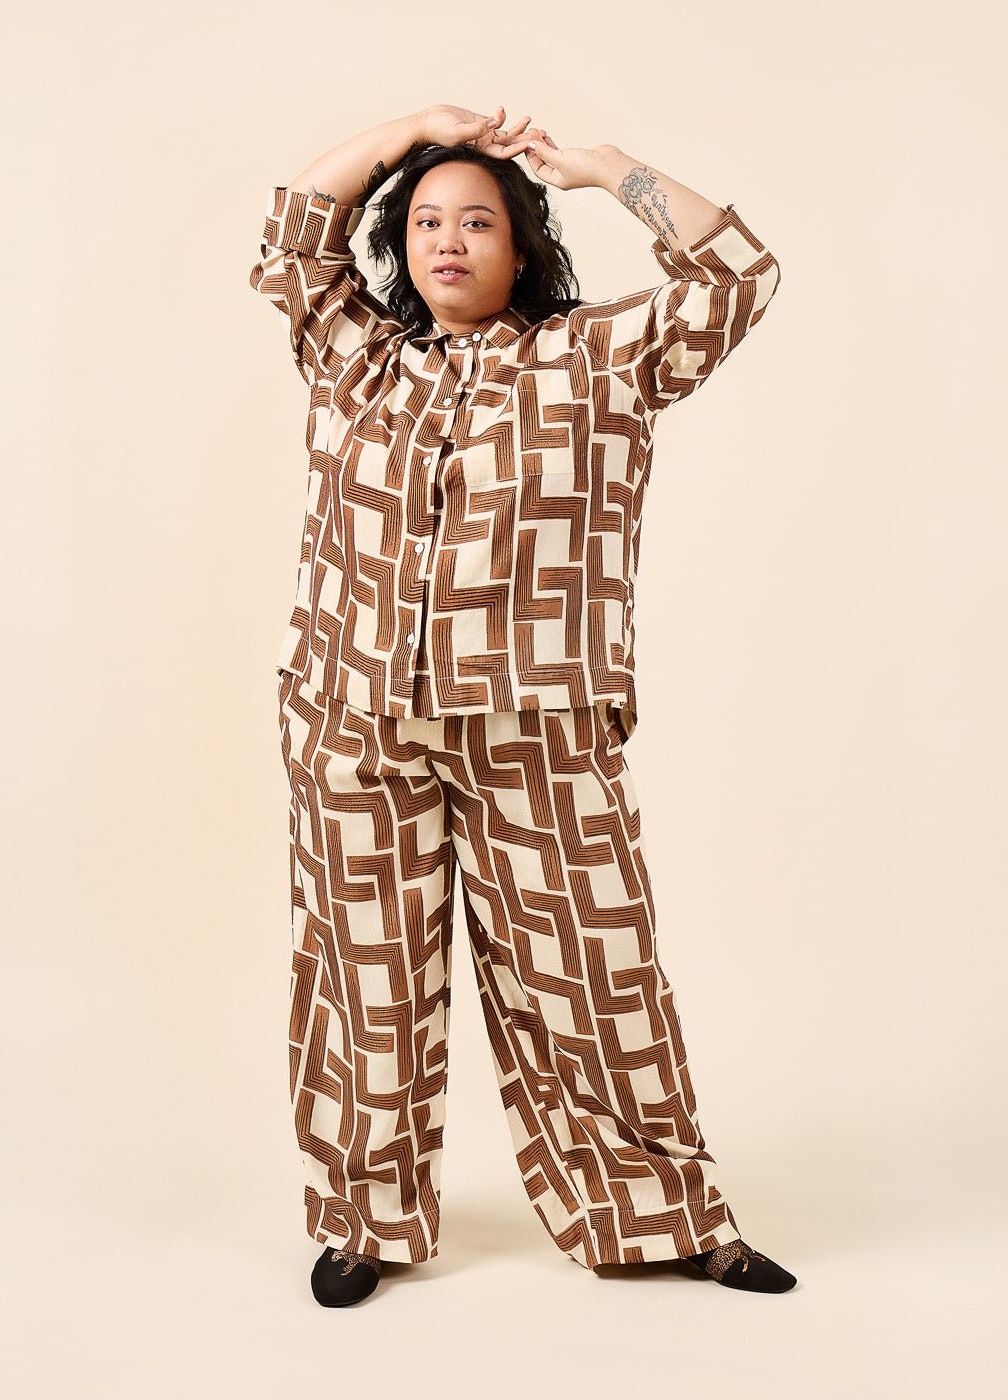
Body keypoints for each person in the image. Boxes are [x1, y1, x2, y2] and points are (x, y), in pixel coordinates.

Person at [249, 103, 796, 1308]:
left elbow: (738, 275)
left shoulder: (595, 359)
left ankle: (664, 1216)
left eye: (478, 221)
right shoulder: (354, 354)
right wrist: (407, 133)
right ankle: (364, 1220)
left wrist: (609, 171)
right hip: (352, 717)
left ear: (522, 244)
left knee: (596, 975)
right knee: (364, 978)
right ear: (400, 242)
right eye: (426, 221)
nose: (448, 241)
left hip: (537, 727)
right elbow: (294, 234)